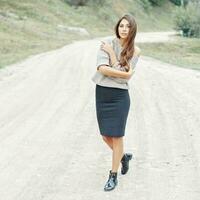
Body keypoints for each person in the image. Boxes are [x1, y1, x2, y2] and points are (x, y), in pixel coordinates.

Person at [91, 13, 141, 191]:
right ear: (117, 27)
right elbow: (102, 69)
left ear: (132, 29)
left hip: (120, 97)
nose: (124, 29)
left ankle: (113, 175)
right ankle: (122, 158)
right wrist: (123, 71)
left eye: (128, 26)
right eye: (121, 26)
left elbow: (121, 81)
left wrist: (112, 57)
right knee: (105, 135)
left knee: (117, 135)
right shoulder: (107, 43)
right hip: (103, 94)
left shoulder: (135, 51)